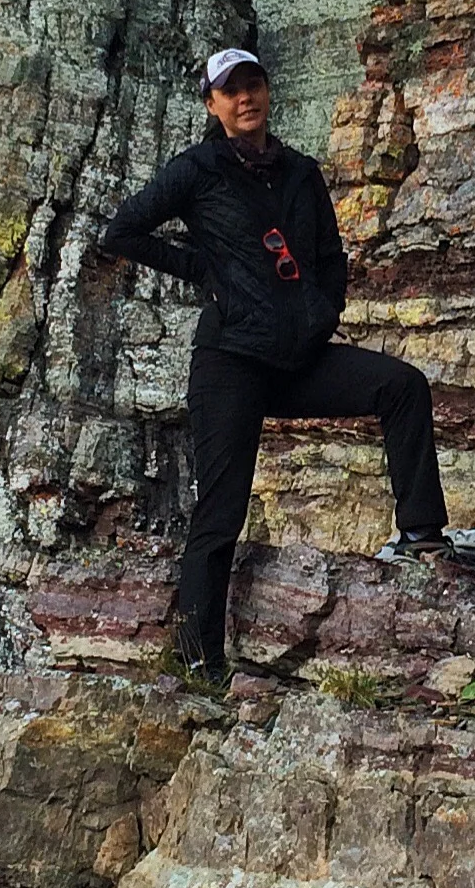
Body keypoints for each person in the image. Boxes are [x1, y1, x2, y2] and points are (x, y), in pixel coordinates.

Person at [101, 46, 450, 683]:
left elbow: (329, 254)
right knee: (222, 510)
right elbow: (121, 231)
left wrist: (323, 310)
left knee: (402, 385)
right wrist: (207, 272)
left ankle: (423, 534)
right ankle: (198, 660)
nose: (246, 99)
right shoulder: (197, 169)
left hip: (298, 357)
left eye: (253, 85)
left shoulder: (300, 171)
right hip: (230, 362)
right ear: (213, 104)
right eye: (231, 91)